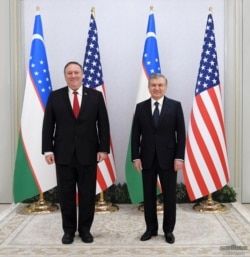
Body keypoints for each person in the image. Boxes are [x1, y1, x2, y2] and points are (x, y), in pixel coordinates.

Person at [42, 61, 110, 244]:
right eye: (69, 73)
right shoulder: (55, 96)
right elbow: (48, 124)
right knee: (66, 195)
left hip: (89, 154)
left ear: (82, 74)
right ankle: (69, 231)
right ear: (65, 76)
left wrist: (103, 149)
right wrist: (48, 149)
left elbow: (103, 124)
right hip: (63, 154)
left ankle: (85, 230)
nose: (73, 76)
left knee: (87, 194)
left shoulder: (95, 96)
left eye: (76, 72)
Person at [131, 73, 186, 244]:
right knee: (148, 196)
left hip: (169, 159)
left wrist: (179, 157)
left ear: (166, 87)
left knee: (169, 196)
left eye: (160, 85)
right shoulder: (140, 107)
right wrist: (135, 157)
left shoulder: (175, 106)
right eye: (153, 85)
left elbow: (181, 134)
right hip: (147, 158)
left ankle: (168, 230)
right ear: (149, 87)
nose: (157, 88)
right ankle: (151, 229)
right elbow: (135, 135)